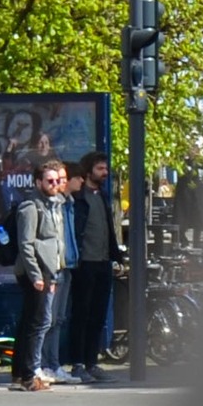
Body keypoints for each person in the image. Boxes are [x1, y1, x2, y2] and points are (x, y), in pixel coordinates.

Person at [5, 160, 75, 393]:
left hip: (49, 270)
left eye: (57, 180)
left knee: (31, 322)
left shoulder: (54, 204)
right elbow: (27, 245)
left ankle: (21, 373)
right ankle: (30, 372)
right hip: (37, 272)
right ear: (38, 182)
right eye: (50, 181)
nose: (55, 184)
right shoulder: (31, 206)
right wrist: (37, 275)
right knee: (40, 322)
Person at [67, 149, 123, 385]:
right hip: (85, 263)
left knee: (98, 315)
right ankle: (78, 362)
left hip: (102, 262)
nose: (105, 173)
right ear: (88, 170)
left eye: (105, 168)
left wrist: (115, 255)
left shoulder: (102, 195)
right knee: (81, 313)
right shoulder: (79, 198)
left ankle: (91, 362)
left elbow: (108, 228)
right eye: (100, 169)